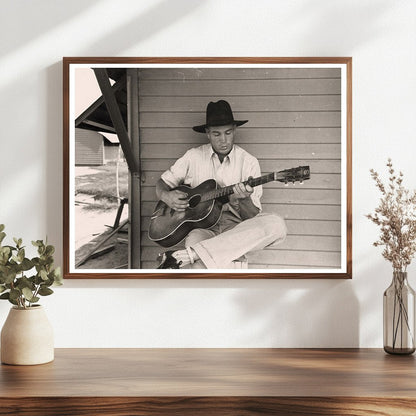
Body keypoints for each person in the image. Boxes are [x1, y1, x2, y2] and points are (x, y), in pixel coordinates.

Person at [155, 100, 287, 269]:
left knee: (276, 225)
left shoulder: (249, 162)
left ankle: (190, 255)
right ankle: (198, 255)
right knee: (204, 269)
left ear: (235, 130)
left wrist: (245, 200)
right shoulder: (192, 157)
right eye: (217, 134)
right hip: (202, 229)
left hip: (236, 229)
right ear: (207, 133)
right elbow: (161, 184)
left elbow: (251, 219)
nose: (223, 140)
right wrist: (166, 196)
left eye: (228, 133)